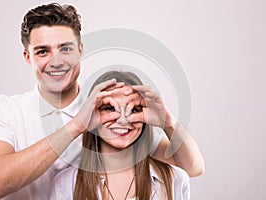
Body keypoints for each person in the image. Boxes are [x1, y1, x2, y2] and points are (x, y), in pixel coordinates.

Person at [0, 3, 204, 200]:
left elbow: (191, 167)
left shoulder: (109, 110)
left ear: (80, 50)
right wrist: (76, 126)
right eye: (43, 51)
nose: (56, 61)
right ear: (28, 57)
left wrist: (167, 121)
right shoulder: (6, 110)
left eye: (65, 48)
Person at [50, 71, 190, 200]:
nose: (123, 120)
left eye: (133, 109)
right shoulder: (66, 184)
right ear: (91, 115)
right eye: (110, 108)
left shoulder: (175, 180)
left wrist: (168, 121)